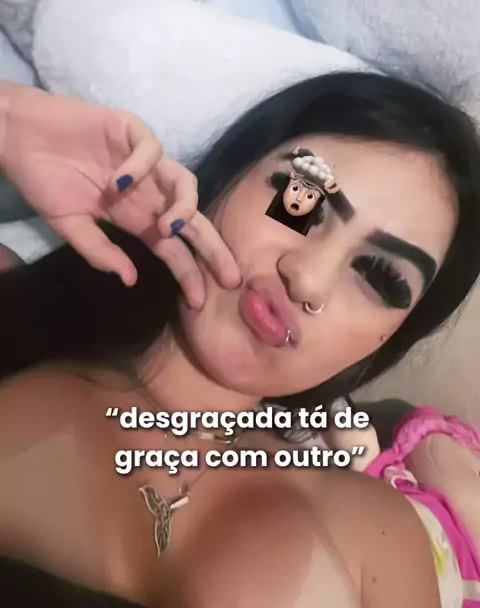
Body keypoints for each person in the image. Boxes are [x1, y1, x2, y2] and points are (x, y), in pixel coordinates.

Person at [0, 71, 480, 607]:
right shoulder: (17, 303)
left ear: (386, 342)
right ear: (230, 173)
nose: (307, 277)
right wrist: (7, 116)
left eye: (379, 277)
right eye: (301, 199)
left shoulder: (379, 533)